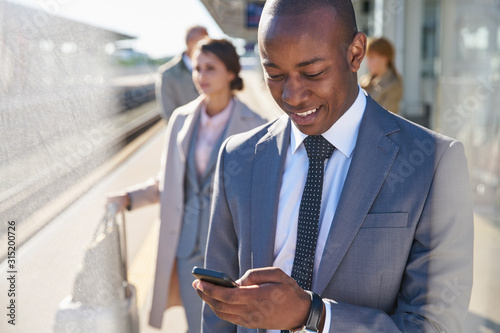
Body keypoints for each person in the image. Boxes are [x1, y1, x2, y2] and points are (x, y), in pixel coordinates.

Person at [193, 0, 473, 332]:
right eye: (275, 74)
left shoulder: (435, 164)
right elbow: (219, 316)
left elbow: (436, 325)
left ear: (356, 53)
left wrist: (315, 316)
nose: (293, 96)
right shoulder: (238, 157)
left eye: (313, 73)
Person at [108, 38, 266, 332]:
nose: (201, 76)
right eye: (197, 68)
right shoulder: (181, 120)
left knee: (229, 323)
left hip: (228, 248)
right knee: (196, 324)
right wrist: (129, 198)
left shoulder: (256, 126)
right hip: (185, 247)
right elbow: (168, 182)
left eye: (210, 68)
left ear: (231, 72)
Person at [156, 25, 208, 119]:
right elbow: (169, 113)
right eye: (204, 41)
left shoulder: (216, 67)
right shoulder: (168, 73)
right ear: (190, 42)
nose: (209, 45)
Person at [360, 37, 403, 114]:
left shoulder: (394, 84)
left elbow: (383, 116)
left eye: (372, 58)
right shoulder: (364, 81)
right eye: (367, 58)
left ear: (385, 58)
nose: (368, 63)